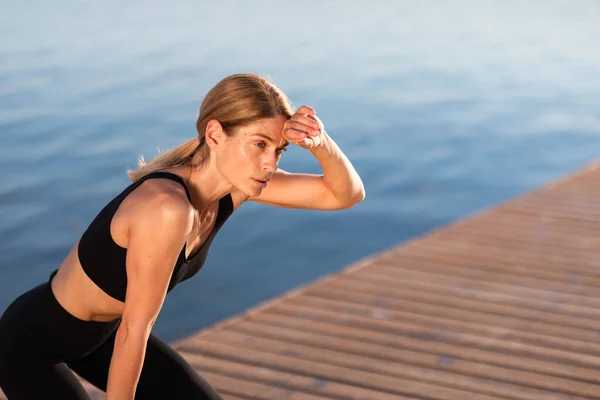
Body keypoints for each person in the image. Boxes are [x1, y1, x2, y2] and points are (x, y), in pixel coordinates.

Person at [0, 73, 365, 399]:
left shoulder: (234, 187)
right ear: (215, 134)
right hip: (32, 344)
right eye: (259, 144)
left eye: (278, 149)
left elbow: (344, 195)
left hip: (104, 336)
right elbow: (136, 328)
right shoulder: (166, 207)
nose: (270, 163)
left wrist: (321, 143)